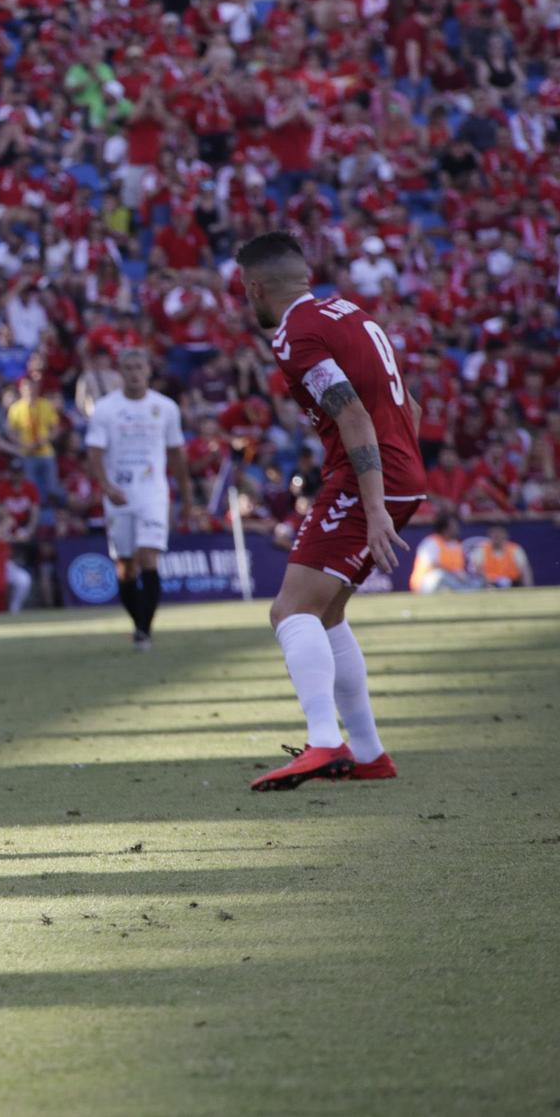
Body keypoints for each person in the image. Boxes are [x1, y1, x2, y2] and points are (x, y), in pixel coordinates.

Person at [236, 232, 424, 791]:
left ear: (256, 288)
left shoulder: (295, 334)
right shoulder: (351, 313)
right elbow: (408, 404)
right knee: (326, 614)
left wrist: (374, 505)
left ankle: (324, 742)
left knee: (289, 611)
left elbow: (355, 418)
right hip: (401, 470)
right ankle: (368, 752)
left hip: (369, 476)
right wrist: (400, 479)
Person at [84, 348, 193, 649]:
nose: (134, 373)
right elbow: (94, 451)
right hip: (118, 495)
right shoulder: (106, 409)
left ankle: (144, 630)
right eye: (128, 367)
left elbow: (176, 454)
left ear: (148, 370)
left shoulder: (166, 408)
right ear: (121, 372)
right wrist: (105, 486)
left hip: (153, 494)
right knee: (126, 566)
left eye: (139, 367)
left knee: (148, 556)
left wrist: (186, 497)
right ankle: (139, 625)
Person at [409, 514, 481, 592]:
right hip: (425, 583)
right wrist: (454, 573)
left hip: (452, 582)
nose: (457, 529)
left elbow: (459, 568)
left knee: (476, 580)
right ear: (445, 529)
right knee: (439, 575)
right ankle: (466, 591)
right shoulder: (431, 542)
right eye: (453, 526)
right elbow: (433, 566)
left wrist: (461, 576)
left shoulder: (456, 545)